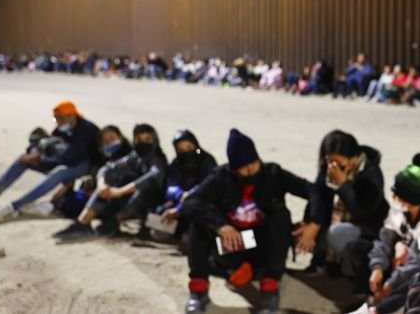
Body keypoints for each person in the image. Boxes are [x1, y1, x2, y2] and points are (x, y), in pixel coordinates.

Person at [181, 129, 312, 314]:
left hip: (264, 245)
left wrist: (312, 223)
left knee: (280, 216)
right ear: (234, 169)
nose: (250, 169)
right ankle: (198, 291)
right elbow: (191, 202)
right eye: (244, 167)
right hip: (233, 245)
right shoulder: (221, 177)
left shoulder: (272, 173)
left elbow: (312, 190)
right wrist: (220, 225)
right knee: (198, 223)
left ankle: (269, 291)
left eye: (253, 163)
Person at [348, 155, 420, 314]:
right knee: (361, 249)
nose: (394, 199)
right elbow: (384, 238)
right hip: (399, 264)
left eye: (398, 196)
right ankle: (372, 299)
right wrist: (377, 268)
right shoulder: (400, 209)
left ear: (412, 199)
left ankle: (378, 309)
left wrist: (389, 285)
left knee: (417, 276)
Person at [295, 130, 389, 276]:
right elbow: (317, 197)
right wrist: (311, 223)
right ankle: (322, 262)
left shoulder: (371, 173)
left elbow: (364, 212)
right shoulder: (328, 167)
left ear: (353, 158)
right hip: (334, 223)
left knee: (337, 234)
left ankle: (349, 269)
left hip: (364, 231)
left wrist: (343, 186)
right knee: (302, 228)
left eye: (339, 163)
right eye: (329, 161)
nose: (333, 167)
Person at [52, 123, 167, 240]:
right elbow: (108, 169)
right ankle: (83, 222)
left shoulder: (157, 159)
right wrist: (102, 184)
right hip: (123, 199)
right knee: (107, 181)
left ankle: (114, 221)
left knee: (142, 190)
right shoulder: (135, 156)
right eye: (139, 140)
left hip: (149, 205)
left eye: (147, 139)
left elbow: (151, 178)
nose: (143, 143)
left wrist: (120, 191)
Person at [0, 101, 101, 223]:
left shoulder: (85, 130)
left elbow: (69, 159)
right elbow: (45, 140)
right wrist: (33, 153)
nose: (58, 121)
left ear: (72, 116)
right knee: (22, 160)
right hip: (64, 159)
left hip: (86, 165)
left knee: (59, 172)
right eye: (56, 118)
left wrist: (40, 160)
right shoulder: (64, 126)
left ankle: (13, 207)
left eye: (61, 118)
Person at [150, 129, 218, 239]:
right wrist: (180, 194)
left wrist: (187, 198)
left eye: (189, 147)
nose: (186, 152)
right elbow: (170, 185)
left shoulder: (207, 161)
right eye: (181, 149)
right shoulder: (176, 163)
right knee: (159, 213)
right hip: (180, 201)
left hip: (198, 201)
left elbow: (207, 185)